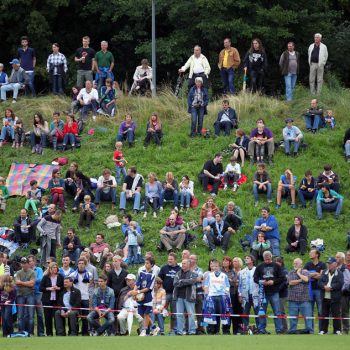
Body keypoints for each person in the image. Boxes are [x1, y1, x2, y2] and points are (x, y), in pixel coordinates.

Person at [253, 251, 285, 334]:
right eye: (265, 259)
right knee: (262, 311)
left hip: (274, 292)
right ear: (263, 258)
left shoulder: (277, 266)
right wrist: (261, 281)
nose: (267, 261)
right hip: (263, 293)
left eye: (269, 259)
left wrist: (273, 282)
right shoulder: (259, 266)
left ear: (271, 257)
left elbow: (282, 278)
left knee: (277, 311)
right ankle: (261, 329)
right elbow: (255, 278)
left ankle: (279, 329)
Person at [203, 259, 230, 335]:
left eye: (217, 266)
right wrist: (206, 296)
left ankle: (219, 330)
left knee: (220, 314)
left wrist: (226, 295)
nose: (215, 268)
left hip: (221, 297)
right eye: (214, 266)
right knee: (211, 314)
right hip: (212, 296)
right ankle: (211, 330)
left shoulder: (224, 276)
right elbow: (206, 286)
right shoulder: (209, 275)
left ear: (219, 266)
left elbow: (227, 286)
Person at [131, 256, 156, 336]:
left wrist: (138, 291)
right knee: (142, 314)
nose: (146, 264)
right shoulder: (141, 272)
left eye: (147, 263)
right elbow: (137, 283)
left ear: (152, 265)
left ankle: (144, 331)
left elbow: (148, 288)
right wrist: (134, 292)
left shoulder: (153, 275)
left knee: (146, 314)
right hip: (139, 297)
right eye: (145, 263)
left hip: (148, 297)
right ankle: (154, 327)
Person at [318, 257, 344, 335]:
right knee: (324, 314)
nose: (328, 265)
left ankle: (337, 330)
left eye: (330, 263)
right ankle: (323, 330)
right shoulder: (324, 272)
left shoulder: (339, 273)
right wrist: (324, 287)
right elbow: (320, 282)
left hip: (335, 297)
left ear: (335, 264)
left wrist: (331, 287)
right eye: (328, 263)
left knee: (336, 314)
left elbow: (340, 284)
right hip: (325, 297)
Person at [287, 258, 313, 334]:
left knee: (307, 317)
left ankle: (309, 331)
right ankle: (292, 331)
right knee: (293, 317)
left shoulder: (306, 272)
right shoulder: (290, 273)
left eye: (297, 263)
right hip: (293, 299)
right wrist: (299, 280)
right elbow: (290, 282)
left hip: (304, 299)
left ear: (301, 265)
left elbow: (306, 280)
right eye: (294, 263)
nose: (295, 265)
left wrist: (298, 273)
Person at [304, 249, 327, 332]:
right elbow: (305, 275)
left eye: (312, 253)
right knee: (309, 311)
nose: (310, 254)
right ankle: (310, 330)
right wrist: (315, 273)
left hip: (319, 290)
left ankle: (321, 329)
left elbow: (322, 276)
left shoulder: (322, 264)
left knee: (321, 310)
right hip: (309, 290)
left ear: (317, 255)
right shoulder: (307, 264)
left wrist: (311, 274)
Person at [158, 252, 181, 335]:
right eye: (168, 259)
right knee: (161, 312)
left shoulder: (179, 269)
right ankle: (161, 330)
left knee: (174, 313)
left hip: (175, 294)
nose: (169, 261)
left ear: (175, 260)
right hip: (165, 294)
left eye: (171, 259)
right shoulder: (164, 268)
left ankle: (173, 330)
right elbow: (159, 280)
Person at [173, 259, 197, 336]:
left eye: (184, 263)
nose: (183, 265)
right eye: (182, 263)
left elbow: (192, 281)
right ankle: (179, 331)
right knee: (179, 315)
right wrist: (186, 281)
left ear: (189, 264)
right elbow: (175, 283)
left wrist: (182, 281)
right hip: (179, 297)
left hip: (189, 297)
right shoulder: (178, 273)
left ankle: (192, 331)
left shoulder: (193, 273)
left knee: (191, 314)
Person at [39, 262, 64, 336]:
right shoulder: (45, 277)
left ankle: (58, 333)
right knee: (47, 317)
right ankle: (49, 333)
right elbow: (41, 288)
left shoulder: (60, 277)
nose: (55, 269)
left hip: (57, 300)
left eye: (56, 267)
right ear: (50, 269)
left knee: (57, 317)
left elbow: (63, 287)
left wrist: (58, 288)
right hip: (47, 300)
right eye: (53, 267)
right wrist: (49, 288)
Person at [70, 257, 92, 336]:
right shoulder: (72, 275)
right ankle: (75, 331)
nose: (81, 265)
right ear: (77, 264)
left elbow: (90, 283)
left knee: (85, 316)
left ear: (85, 265)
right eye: (79, 263)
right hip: (76, 299)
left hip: (85, 298)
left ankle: (85, 332)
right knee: (75, 316)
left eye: (82, 263)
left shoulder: (89, 274)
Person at [238, 255, 260, 330]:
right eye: (245, 258)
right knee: (245, 313)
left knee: (257, 312)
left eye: (248, 258)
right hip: (245, 296)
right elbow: (240, 285)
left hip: (256, 295)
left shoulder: (257, 270)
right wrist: (240, 295)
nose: (246, 259)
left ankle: (260, 328)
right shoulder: (242, 272)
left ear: (252, 260)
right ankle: (245, 328)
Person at [15, 257, 36, 335]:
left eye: (25, 263)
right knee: (20, 316)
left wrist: (21, 282)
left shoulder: (32, 272)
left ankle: (30, 333)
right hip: (20, 295)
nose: (23, 265)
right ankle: (21, 332)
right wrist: (27, 283)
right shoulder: (18, 272)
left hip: (30, 295)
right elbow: (16, 283)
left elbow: (32, 284)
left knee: (31, 316)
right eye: (22, 263)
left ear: (28, 263)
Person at [335, 252, 350, 335]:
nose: (336, 258)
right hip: (336, 293)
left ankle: (345, 329)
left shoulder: (344, 268)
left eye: (338, 257)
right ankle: (340, 328)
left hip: (344, 293)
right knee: (338, 311)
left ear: (342, 259)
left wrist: (341, 289)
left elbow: (347, 281)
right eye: (336, 257)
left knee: (344, 311)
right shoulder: (335, 268)